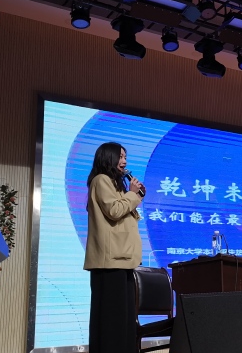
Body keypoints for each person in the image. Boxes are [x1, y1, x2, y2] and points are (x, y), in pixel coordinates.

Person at [84, 142, 146, 353]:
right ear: (108, 157)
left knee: (124, 321)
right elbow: (115, 211)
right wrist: (132, 194)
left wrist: (135, 195)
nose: (124, 161)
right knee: (112, 321)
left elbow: (125, 215)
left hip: (121, 259)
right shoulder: (101, 180)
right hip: (109, 261)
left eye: (125, 157)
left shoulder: (115, 184)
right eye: (120, 156)